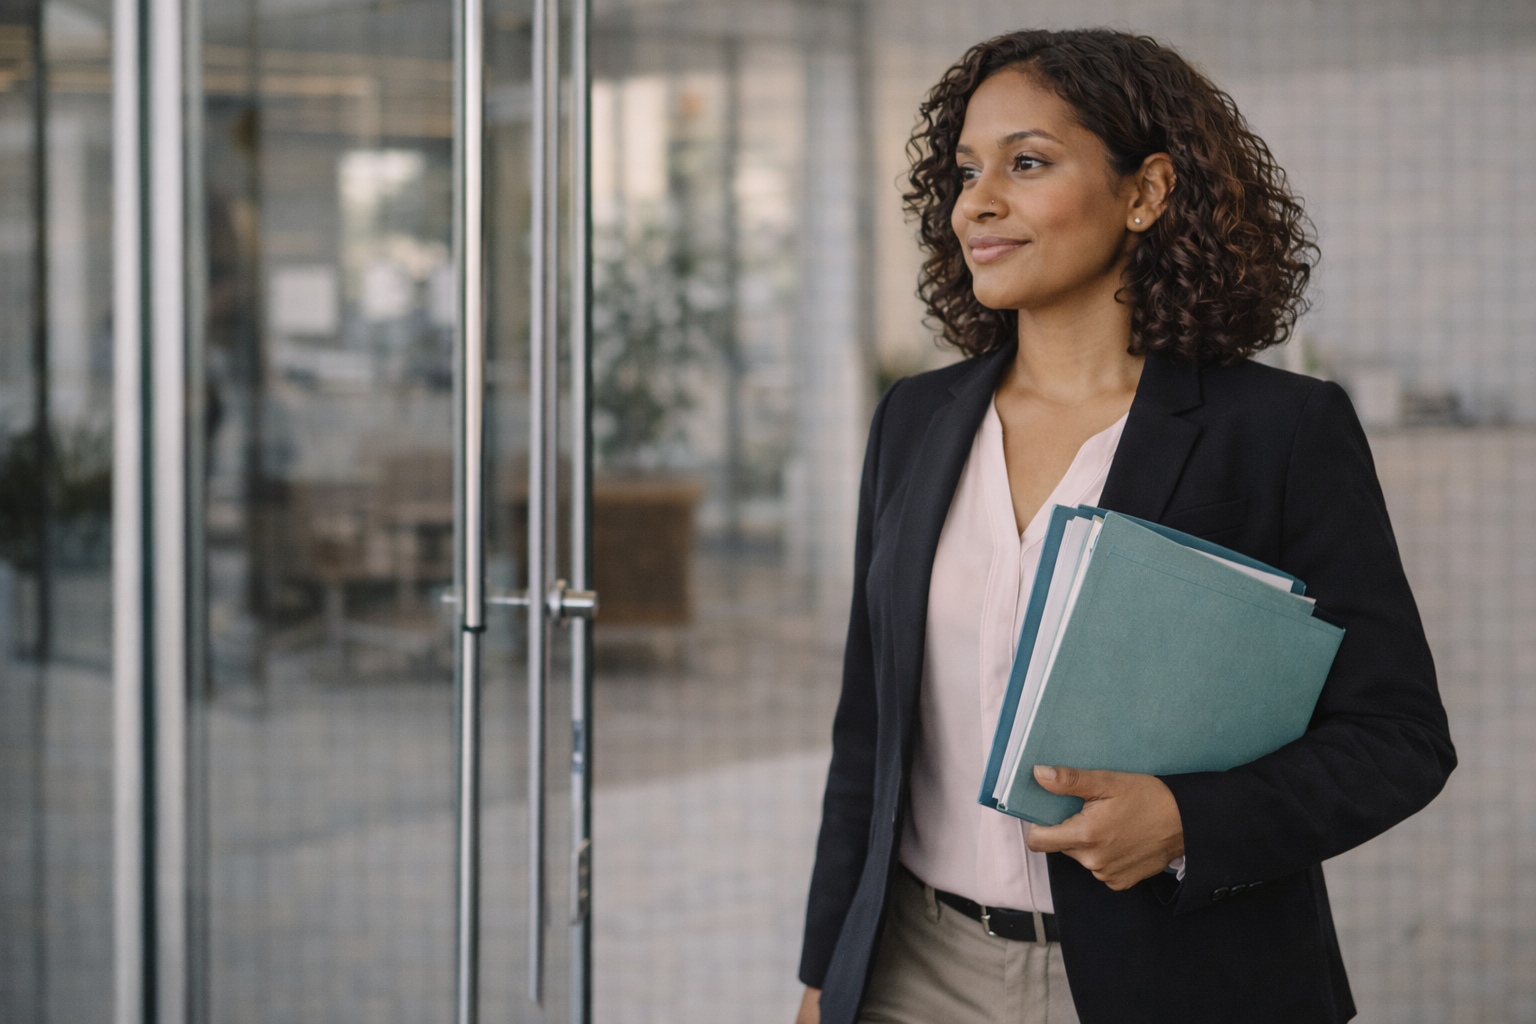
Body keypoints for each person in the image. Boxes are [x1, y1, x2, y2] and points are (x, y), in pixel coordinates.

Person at [794, 28, 1455, 1024]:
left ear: (1145, 192)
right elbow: (868, 735)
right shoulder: (914, 421)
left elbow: (1398, 737)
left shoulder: (1279, 432)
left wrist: (1189, 819)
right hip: (911, 973)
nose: (976, 202)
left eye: (1027, 163)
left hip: (1174, 980)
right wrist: (823, 977)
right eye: (966, 171)